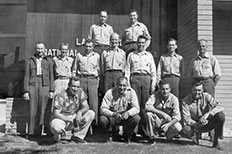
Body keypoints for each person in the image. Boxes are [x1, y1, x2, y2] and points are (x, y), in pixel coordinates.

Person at [125, 35, 156, 134]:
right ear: (136, 43)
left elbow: (153, 71)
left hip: (146, 79)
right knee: (135, 104)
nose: (141, 45)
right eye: (139, 43)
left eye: (143, 43)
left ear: (145, 44)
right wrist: (128, 84)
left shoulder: (149, 56)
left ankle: (143, 130)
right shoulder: (131, 55)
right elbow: (127, 70)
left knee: (144, 105)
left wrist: (153, 84)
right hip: (135, 79)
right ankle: (134, 130)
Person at [50, 76, 95, 143]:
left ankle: (78, 136)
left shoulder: (80, 92)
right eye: (73, 86)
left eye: (77, 87)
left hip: (74, 118)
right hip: (61, 119)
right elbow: (56, 113)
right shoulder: (60, 94)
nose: (75, 89)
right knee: (56, 127)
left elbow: (86, 107)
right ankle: (58, 137)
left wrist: (80, 112)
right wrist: (68, 119)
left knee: (91, 113)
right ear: (69, 86)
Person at [181, 81, 225, 149]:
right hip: (195, 125)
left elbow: (220, 107)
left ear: (202, 90)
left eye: (199, 90)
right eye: (195, 90)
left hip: (207, 122)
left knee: (221, 116)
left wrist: (207, 114)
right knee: (185, 129)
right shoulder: (185, 101)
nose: (197, 92)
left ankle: (216, 141)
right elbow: (186, 118)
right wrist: (197, 124)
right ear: (191, 90)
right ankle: (195, 137)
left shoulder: (207, 96)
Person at [23, 42, 54, 138]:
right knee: (32, 109)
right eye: (38, 49)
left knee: (43, 109)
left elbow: (52, 76)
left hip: (45, 84)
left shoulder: (49, 60)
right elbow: (26, 76)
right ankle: (31, 132)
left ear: (45, 49)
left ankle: (40, 131)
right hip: (33, 84)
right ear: (35, 49)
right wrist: (26, 91)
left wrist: (51, 90)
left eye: (41, 49)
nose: (40, 51)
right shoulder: (30, 60)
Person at [99, 76, 140, 142]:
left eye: (124, 85)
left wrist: (128, 113)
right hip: (113, 117)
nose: (122, 88)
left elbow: (137, 108)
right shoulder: (110, 92)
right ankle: (110, 134)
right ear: (116, 84)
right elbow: (102, 109)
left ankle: (127, 134)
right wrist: (113, 114)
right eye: (120, 85)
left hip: (126, 117)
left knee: (136, 118)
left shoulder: (131, 92)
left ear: (127, 85)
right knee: (103, 119)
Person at [72, 39, 100, 125]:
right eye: (86, 46)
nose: (88, 48)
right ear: (84, 46)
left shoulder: (97, 56)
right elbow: (74, 69)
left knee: (93, 103)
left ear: (93, 47)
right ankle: (80, 122)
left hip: (92, 79)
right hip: (82, 79)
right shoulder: (79, 56)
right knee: (81, 101)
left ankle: (94, 124)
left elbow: (99, 70)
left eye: (90, 46)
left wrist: (97, 82)